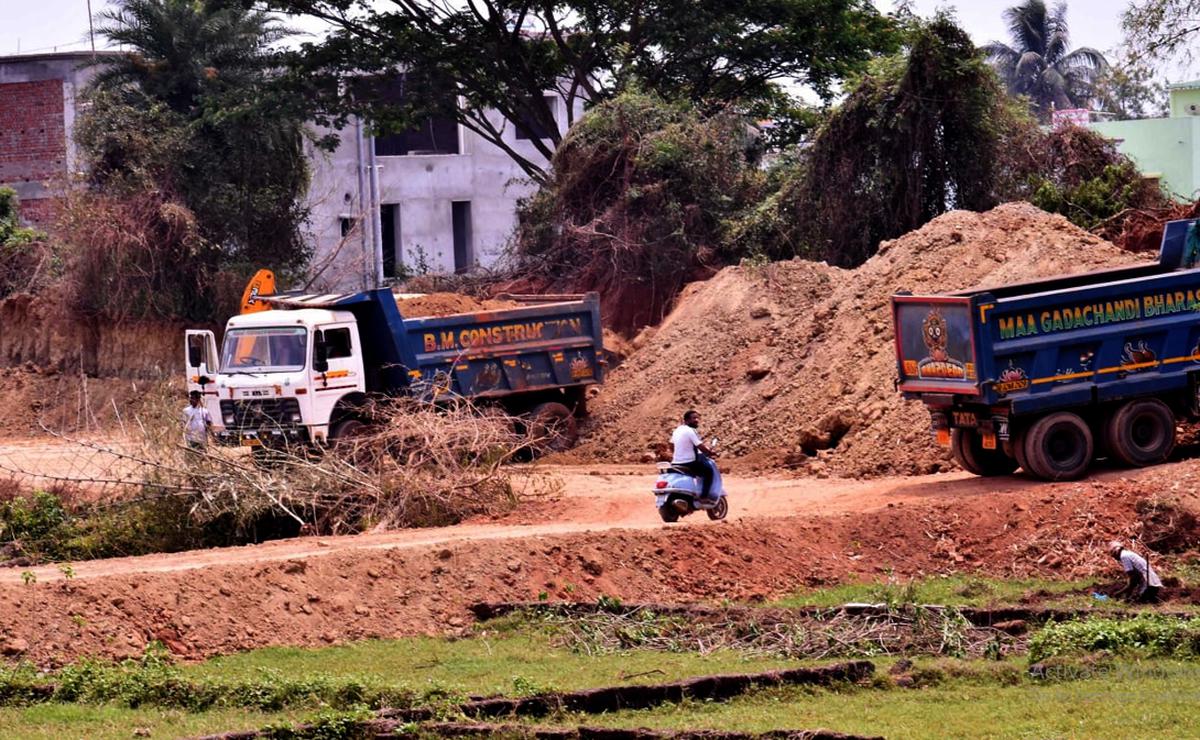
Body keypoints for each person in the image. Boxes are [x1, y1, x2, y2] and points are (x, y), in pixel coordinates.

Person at [671, 410, 716, 500]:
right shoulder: (690, 431)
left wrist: (679, 453)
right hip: (689, 463)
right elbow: (700, 446)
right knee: (709, 472)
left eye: (697, 418)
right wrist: (710, 453)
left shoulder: (677, 430)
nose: (697, 420)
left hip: (676, 462)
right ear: (687, 420)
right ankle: (704, 497)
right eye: (694, 418)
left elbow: (671, 445)